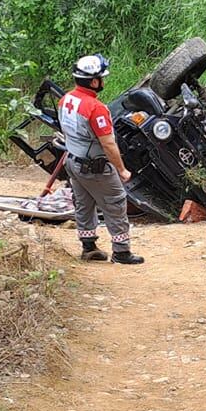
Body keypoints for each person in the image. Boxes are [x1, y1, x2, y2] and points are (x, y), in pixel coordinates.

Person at [59, 54, 144, 265]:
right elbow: (108, 143)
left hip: (73, 161)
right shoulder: (95, 108)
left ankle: (88, 247)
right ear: (94, 81)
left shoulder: (66, 100)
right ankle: (122, 251)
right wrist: (122, 170)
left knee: (84, 203)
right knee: (115, 201)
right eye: (101, 78)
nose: (103, 82)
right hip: (94, 166)